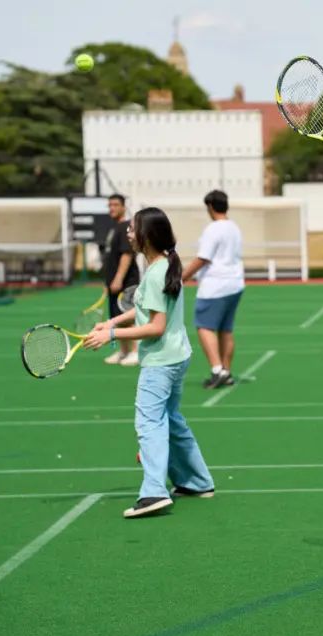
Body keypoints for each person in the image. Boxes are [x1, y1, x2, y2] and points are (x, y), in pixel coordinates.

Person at [84, 208, 215, 518]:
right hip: (177, 356)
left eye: (132, 229)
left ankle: (154, 492)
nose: (128, 233)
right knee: (170, 419)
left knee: (149, 424)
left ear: (147, 236)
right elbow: (143, 307)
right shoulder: (163, 265)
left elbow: (155, 326)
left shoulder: (158, 272)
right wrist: (112, 321)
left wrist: (112, 334)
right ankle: (197, 481)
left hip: (161, 361)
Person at [182, 190, 244, 389]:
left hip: (215, 285)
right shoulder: (234, 227)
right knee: (226, 329)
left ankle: (217, 370)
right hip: (235, 283)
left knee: (204, 326)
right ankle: (226, 370)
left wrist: (181, 277)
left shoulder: (213, 229)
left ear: (210, 207)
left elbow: (203, 258)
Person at [101, 194, 140, 366]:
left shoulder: (126, 227)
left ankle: (136, 351)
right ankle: (124, 351)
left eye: (115, 205)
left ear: (124, 207)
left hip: (126, 282)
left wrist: (118, 279)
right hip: (114, 284)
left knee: (127, 317)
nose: (112, 208)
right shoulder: (114, 228)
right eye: (109, 205)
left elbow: (127, 254)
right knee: (117, 317)